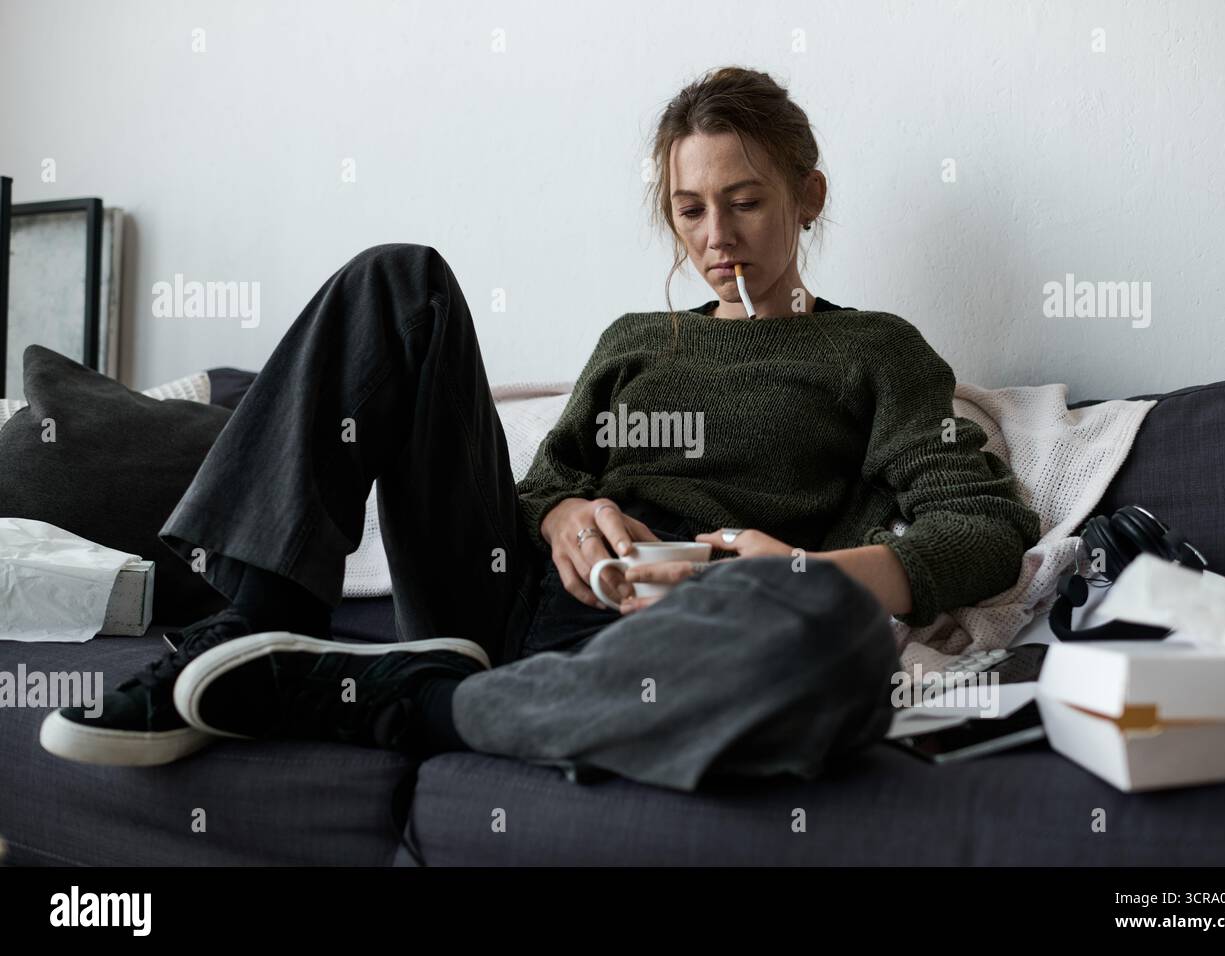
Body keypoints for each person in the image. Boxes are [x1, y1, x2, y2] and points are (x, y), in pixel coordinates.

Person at [40, 66, 1040, 793]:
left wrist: (798, 573)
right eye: (689, 210)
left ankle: (407, 699)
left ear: (806, 197)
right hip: (503, 594)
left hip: (686, 628)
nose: (716, 238)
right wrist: (564, 511)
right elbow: (533, 491)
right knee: (399, 278)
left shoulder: (877, 350)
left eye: (744, 203)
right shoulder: (635, 340)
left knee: (832, 648)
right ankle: (241, 629)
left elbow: (983, 529)